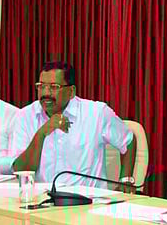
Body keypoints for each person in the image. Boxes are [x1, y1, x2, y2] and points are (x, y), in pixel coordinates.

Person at [10, 61, 137, 192]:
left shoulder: (96, 113)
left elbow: (128, 141)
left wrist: (126, 179)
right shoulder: (25, 116)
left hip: (87, 200)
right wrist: (41, 134)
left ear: (71, 91)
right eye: (41, 86)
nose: (45, 93)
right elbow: (20, 170)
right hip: (42, 199)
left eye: (54, 87)